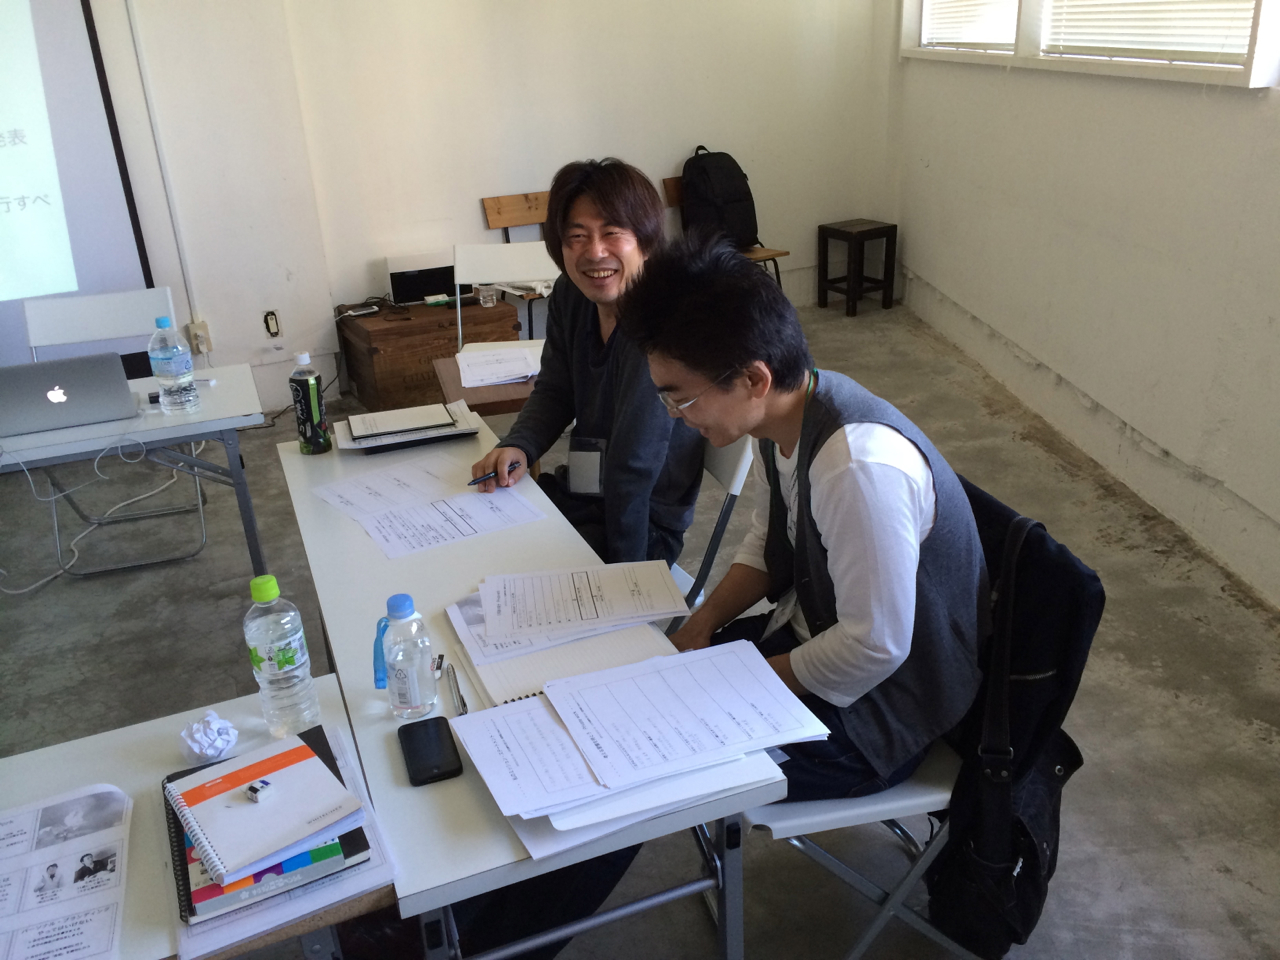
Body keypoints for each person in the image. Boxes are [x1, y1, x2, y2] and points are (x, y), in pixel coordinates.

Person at [617, 234, 987, 801]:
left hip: (881, 715)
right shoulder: (782, 415)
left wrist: (738, 682)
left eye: (681, 398)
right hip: (811, 640)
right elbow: (770, 543)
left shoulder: (855, 468)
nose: (674, 415)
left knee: (652, 761)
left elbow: (875, 646)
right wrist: (701, 624)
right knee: (643, 699)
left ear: (754, 379)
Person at [471, 158, 702, 565]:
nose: (595, 252)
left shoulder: (662, 320)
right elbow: (555, 389)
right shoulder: (571, 295)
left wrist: (627, 582)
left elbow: (633, 467)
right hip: (584, 492)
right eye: (577, 236)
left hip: (642, 525)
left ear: (646, 240)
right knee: (475, 532)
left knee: (510, 570)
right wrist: (520, 444)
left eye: (612, 233)